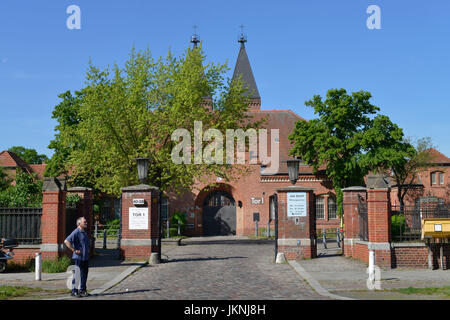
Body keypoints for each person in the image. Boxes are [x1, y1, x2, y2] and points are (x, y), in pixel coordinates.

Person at [64, 217, 90, 297]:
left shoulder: (84, 232)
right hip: (78, 257)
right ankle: (74, 291)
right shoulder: (76, 232)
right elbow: (66, 241)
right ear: (79, 223)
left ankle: (83, 290)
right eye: (84, 222)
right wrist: (74, 250)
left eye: (86, 221)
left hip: (85, 257)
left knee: (84, 274)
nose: (86, 223)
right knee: (77, 274)